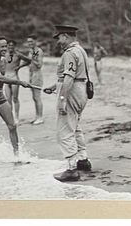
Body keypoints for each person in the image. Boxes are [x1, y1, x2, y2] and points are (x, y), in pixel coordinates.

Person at [43, 25, 92, 182]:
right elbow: (76, 76)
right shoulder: (80, 50)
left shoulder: (69, 53)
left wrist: (62, 99)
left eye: (59, 38)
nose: (58, 41)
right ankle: (83, 160)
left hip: (72, 91)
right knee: (75, 126)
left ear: (65, 36)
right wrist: (55, 87)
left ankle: (71, 169)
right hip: (81, 90)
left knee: (64, 130)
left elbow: (69, 78)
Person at [0, 37, 34, 167]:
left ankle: (17, 156)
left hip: (0, 96)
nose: (5, 49)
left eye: (6, 46)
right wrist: (20, 82)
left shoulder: (4, 60)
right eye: (2, 47)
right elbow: (0, 77)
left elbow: (6, 75)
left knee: (12, 126)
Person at [4, 39, 32, 124]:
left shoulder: (18, 54)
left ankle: (16, 117)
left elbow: (29, 60)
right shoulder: (4, 54)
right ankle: (10, 118)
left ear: (14, 46)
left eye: (12, 45)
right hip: (6, 78)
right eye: (9, 45)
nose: (11, 47)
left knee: (15, 98)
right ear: (7, 46)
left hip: (14, 77)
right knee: (8, 99)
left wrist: (19, 67)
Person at [27, 35, 44, 125]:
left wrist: (32, 59)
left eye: (31, 41)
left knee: (37, 97)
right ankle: (37, 116)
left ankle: (40, 117)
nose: (30, 43)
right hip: (31, 74)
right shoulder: (31, 51)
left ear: (35, 41)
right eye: (28, 42)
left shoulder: (38, 51)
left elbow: (39, 65)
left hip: (37, 75)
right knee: (34, 97)